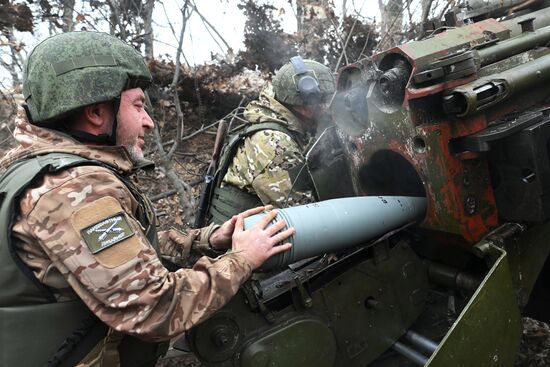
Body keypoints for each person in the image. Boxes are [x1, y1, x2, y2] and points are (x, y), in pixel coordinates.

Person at [0, 31, 294, 367]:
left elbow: (120, 257)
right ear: (97, 112)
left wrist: (207, 240)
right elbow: (156, 309)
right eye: (138, 106)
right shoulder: (74, 191)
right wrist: (242, 258)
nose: (149, 121)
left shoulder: (35, 168)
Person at [207, 56, 336, 224]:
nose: (327, 108)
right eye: (323, 102)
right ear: (305, 107)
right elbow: (306, 218)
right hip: (236, 244)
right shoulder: (274, 144)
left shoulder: (276, 122)